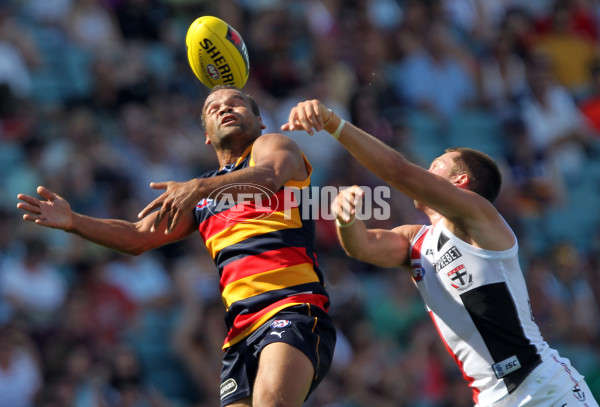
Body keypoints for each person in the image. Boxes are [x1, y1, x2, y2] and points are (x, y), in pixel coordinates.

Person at [16, 84, 336, 407]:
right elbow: (138, 237)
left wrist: (197, 186)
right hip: (239, 333)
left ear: (260, 121)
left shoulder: (272, 146)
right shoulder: (202, 198)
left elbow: (268, 177)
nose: (225, 108)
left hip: (292, 308)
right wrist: (74, 221)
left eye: (236, 104)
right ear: (207, 136)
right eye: (214, 108)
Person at [280, 99, 599, 406]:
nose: (425, 173)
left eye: (435, 166)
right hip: (492, 398)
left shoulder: (478, 216)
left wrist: (333, 122)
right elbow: (362, 246)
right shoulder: (415, 240)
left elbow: (398, 171)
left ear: (460, 181)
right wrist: (345, 218)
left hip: (544, 387)